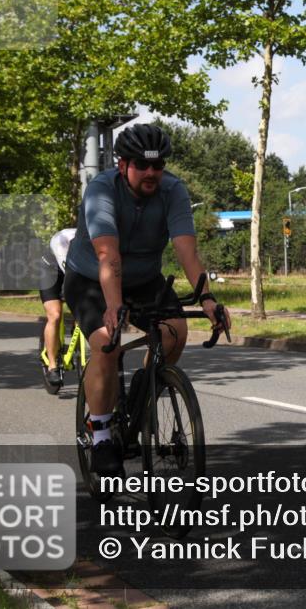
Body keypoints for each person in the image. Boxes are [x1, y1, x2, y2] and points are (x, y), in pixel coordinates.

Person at [63, 123, 230, 476]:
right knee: (108, 343)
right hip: (93, 278)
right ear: (123, 165)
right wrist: (113, 307)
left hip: (144, 278)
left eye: (159, 165)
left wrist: (208, 300)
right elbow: (108, 255)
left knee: (176, 332)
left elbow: (186, 250)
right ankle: (103, 435)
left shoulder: (173, 190)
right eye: (143, 164)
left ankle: (145, 383)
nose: (153, 172)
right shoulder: (101, 190)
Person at [39, 227, 77, 389]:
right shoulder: (63, 240)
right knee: (55, 315)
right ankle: (52, 366)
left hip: (74, 270)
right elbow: (71, 278)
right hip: (51, 271)